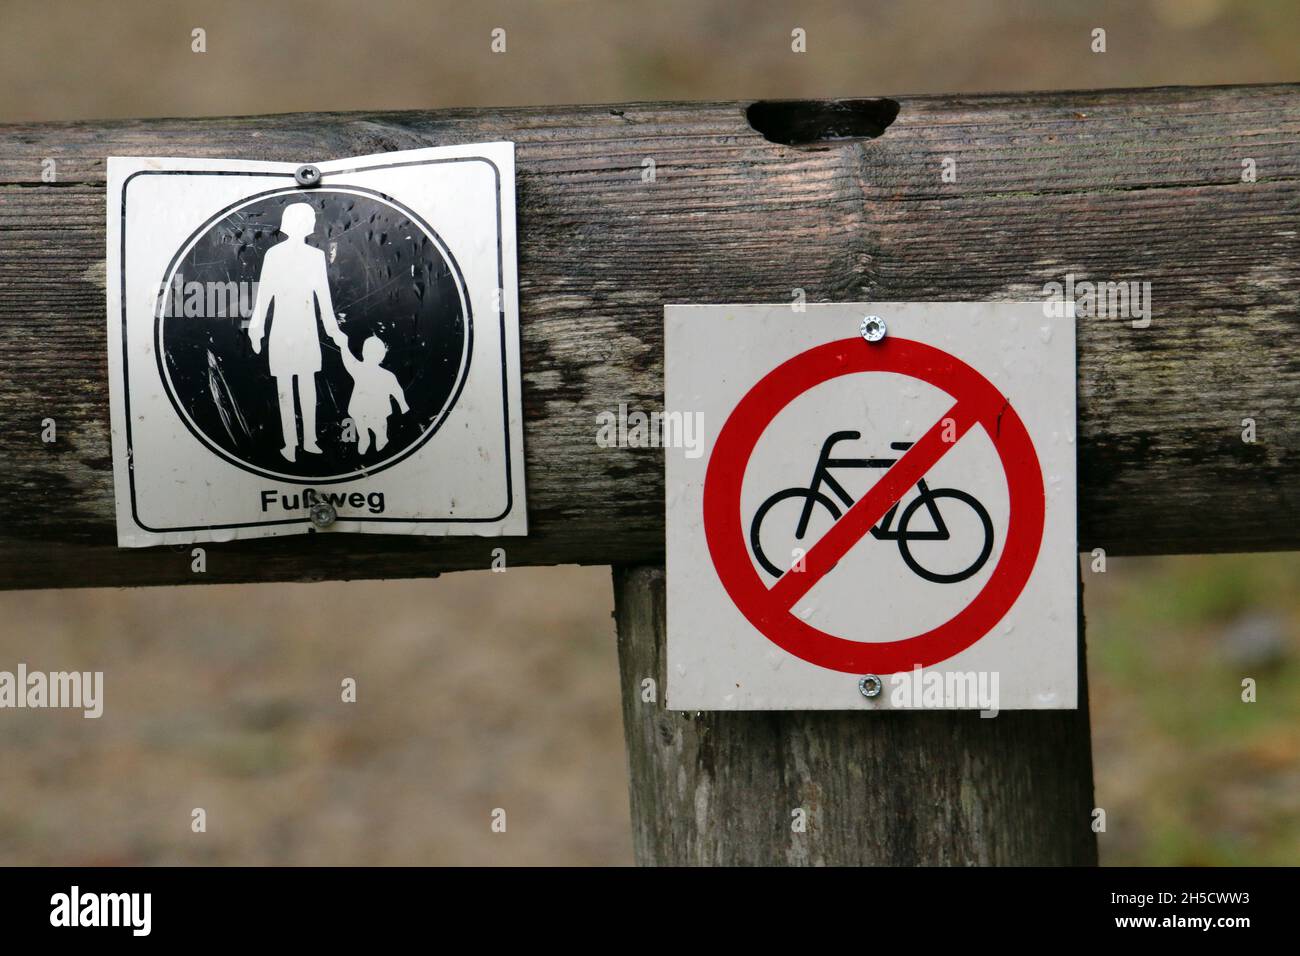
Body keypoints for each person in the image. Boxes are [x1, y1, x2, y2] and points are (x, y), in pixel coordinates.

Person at [246, 203, 344, 462]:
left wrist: (333, 330)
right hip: (283, 329)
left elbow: (324, 298)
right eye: (310, 218)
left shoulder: (314, 257)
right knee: (285, 389)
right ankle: (290, 443)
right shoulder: (274, 255)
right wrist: (256, 329)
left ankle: (309, 440)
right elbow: (264, 295)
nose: (313, 223)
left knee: (306, 384)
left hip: (306, 330)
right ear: (300, 222)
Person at [330, 333, 409, 454]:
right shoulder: (363, 370)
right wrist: (343, 347)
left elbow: (397, 391)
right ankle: (367, 439)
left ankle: (379, 439)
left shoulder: (386, 375)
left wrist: (403, 405)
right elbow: (348, 360)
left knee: (379, 427)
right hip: (363, 410)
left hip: (375, 411)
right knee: (364, 427)